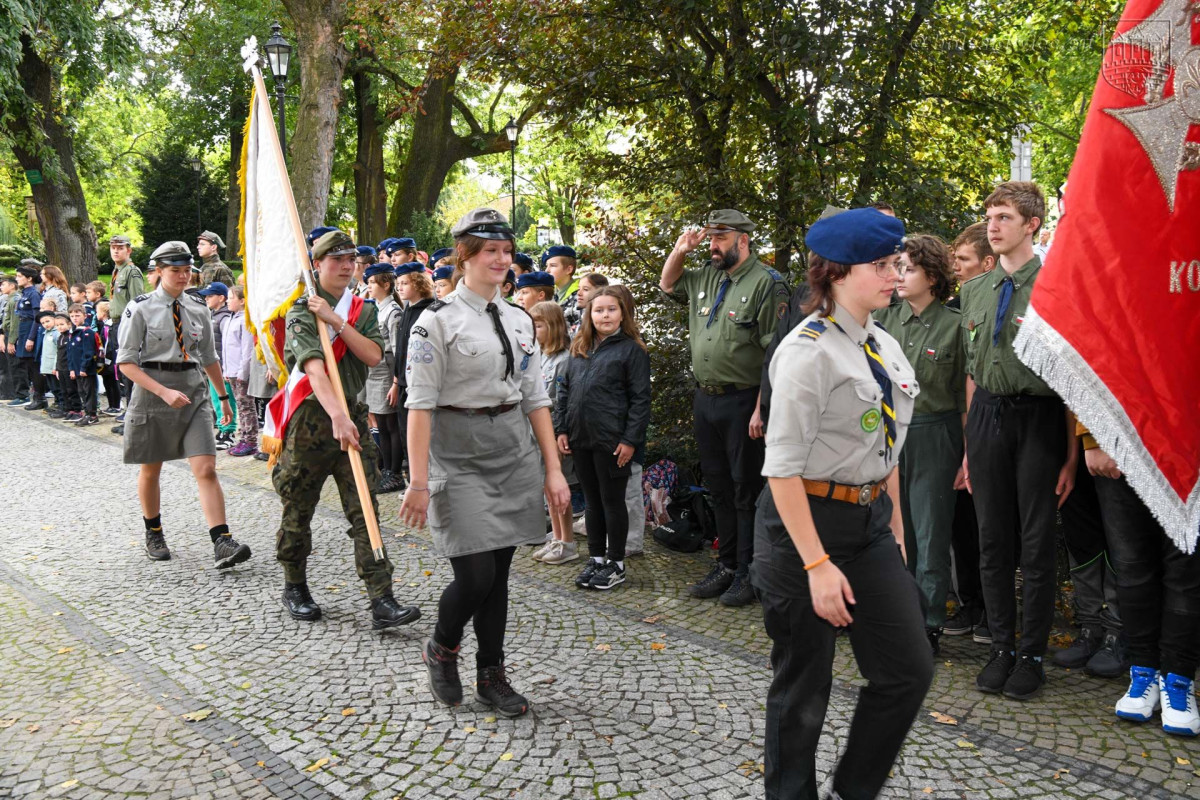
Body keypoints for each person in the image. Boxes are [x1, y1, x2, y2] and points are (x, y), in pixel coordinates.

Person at [751, 207, 930, 800]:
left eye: (897, 263)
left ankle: (853, 790)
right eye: (882, 265)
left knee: (907, 670)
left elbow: (886, 447)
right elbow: (781, 468)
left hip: (869, 522)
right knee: (804, 686)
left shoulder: (882, 342)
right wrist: (816, 564)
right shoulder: (808, 352)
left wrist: (895, 528)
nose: (895, 274)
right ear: (836, 272)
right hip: (805, 525)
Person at [400, 207, 569, 717]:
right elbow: (419, 406)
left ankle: (491, 674)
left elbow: (535, 398)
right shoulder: (435, 322)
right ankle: (442, 645)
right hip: (457, 450)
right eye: (490, 250)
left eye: (506, 251)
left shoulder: (519, 319)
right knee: (475, 576)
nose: (501, 259)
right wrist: (419, 481)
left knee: (498, 574)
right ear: (465, 255)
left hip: (511, 448)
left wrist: (552, 470)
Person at [270, 229, 421, 631]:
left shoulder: (360, 310)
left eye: (350, 259)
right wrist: (337, 417)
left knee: (364, 509)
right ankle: (295, 585)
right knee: (299, 506)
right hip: (311, 421)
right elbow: (314, 369)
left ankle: (381, 598)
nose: (345, 266)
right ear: (317, 264)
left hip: (351, 415)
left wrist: (336, 320)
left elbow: (372, 355)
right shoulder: (300, 309)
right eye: (335, 259)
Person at [960, 181, 1076, 701]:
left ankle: (1032, 655)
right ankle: (1001, 647)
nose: (993, 226)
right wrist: (970, 444)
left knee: (1035, 542)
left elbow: (1071, 377)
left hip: (1039, 417)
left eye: (1004, 217)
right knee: (992, 539)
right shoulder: (974, 290)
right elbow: (972, 372)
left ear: (1032, 225)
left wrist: (1071, 454)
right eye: (990, 216)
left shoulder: (1055, 287)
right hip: (987, 416)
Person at [660, 208, 789, 607]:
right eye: (711, 238)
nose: (713, 246)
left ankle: (749, 572)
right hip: (707, 399)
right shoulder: (708, 276)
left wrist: (762, 407)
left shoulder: (767, 283)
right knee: (718, 487)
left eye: (720, 239)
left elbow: (776, 353)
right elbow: (668, 284)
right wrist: (681, 250)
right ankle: (727, 564)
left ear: (743, 240)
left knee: (745, 488)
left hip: (744, 400)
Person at [116, 241, 251, 568]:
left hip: (193, 391)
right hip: (153, 391)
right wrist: (162, 392)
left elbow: (209, 356)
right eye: (175, 270)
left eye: (187, 269)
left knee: (206, 467)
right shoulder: (140, 308)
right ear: (159, 271)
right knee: (152, 468)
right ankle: (154, 531)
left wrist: (223, 398)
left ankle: (222, 540)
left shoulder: (198, 307)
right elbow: (126, 363)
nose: (182, 275)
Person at [872, 234, 964, 654]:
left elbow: (965, 398)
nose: (899, 276)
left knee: (930, 534)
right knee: (893, 529)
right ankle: (899, 614)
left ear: (932, 276)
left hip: (934, 434)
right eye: (897, 268)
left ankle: (929, 623)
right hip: (889, 433)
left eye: (908, 269)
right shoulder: (883, 320)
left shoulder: (955, 326)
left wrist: (968, 453)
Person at [1081, 430, 1200, 737]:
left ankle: (1178, 680)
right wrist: (1093, 438)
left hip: (1189, 441)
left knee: (1185, 567)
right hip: (1120, 437)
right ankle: (1143, 671)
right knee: (1132, 566)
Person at [555, 287, 651, 590]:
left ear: (622, 314)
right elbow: (564, 391)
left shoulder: (632, 350)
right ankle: (596, 558)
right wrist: (561, 429)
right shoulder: (579, 348)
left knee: (612, 502)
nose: (605, 315)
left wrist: (630, 440)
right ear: (589, 314)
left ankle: (616, 563)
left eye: (611, 309)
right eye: (599, 310)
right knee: (592, 502)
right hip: (581, 437)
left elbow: (640, 400)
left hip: (613, 441)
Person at [942, 220, 996, 641]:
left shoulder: (996, 304)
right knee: (962, 523)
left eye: (963, 259)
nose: (955, 267)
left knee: (991, 526)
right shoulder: (955, 309)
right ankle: (971, 603)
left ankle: (994, 612)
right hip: (958, 426)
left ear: (987, 263)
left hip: (989, 424)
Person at [529, 301, 580, 565]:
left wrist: (561, 433)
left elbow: (563, 402)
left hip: (555, 432)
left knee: (561, 488)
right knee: (547, 487)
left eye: (538, 326)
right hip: (538, 432)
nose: (533, 331)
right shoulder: (540, 355)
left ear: (553, 326)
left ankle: (567, 542)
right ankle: (557, 537)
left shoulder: (564, 360)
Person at [363, 261, 405, 492]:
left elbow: (398, 351)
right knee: (381, 422)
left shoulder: (393, 312)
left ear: (386, 284)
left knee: (391, 425)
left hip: (388, 374)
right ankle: (386, 469)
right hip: (375, 372)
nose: (369, 286)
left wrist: (396, 383)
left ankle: (394, 473)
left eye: (372, 282)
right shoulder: (377, 308)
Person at [109, 234, 144, 433]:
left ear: (128, 250)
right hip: (117, 324)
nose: (116, 251)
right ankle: (128, 414)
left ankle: (133, 418)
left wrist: (133, 329)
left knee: (130, 371)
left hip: (127, 325)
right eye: (113, 247)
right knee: (123, 372)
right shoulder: (117, 271)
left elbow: (137, 302)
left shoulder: (132, 272)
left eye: (120, 248)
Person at [199, 281, 238, 449]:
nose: (206, 299)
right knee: (216, 400)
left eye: (210, 296)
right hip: (213, 366)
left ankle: (229, 432)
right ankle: (222, 429)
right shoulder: (212, 315)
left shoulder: (224, 317)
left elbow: (229, 345)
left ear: (221, 298)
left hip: (222, 367)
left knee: (226, 400)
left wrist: (226, 367)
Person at [224, 286, 260, 457]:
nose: (227, 301)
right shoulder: (229, 319)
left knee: (246, 406)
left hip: (240, 373)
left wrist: (242, 373)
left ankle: (251, 441)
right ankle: (244, 437)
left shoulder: (245, 321)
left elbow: (247, 349)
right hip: (231, 371)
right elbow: (227, 348)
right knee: (240, 405)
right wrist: (226, 369)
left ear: (242, 301)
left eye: (231, 298)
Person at [10, 264, 42, 406]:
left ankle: (39, 398)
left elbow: (37, 317)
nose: (17, 279)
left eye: (19, 276)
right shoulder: (25, 293)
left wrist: (31, 338)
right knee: (27, 364)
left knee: (33, 366)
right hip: (23, 328)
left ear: (29, 278)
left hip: (30, 328)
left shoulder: (33, 294)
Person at [66, 303, 100, 426]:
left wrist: (84, 368)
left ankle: (92, 415)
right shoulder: (73, 332)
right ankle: (87, 413)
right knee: (81, 392)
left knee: (89, 392)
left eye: (77, 315)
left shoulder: (87, 332)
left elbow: (88, 352)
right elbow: (70, 353)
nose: (75, 318)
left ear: (85, 316)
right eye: (72, 316)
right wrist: (71, 369)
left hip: (86, 370)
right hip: (76, 369)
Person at [95, 300, 121, 415]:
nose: (96, 314)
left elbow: (111, 344)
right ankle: (111, 405)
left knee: (113, 383)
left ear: (104, 313)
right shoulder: (105, 325)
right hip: (106, 359)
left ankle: (116, 405)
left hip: (111, 359)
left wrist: (108, 357)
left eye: (97, 312)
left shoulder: (111, 326)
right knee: (107, 382)